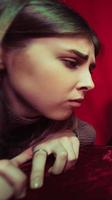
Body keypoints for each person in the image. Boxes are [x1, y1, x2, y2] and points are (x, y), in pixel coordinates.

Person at [0, 0, 100, 199]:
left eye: (90, 68)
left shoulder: (57, 119)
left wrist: (66, 134)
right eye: (71, 63)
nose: (90, 83)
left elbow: (87, 132)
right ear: (2, 53)